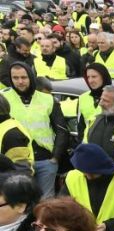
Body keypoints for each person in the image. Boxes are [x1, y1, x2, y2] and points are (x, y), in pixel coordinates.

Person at [2, 63, 66, 197]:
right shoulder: (3, 98)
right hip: (16, 162)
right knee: (20, 202)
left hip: (45, 160)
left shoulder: (48, 99)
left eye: (24, 77)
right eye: (15, 78)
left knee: (45, 202)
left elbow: (61, 129)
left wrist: (55, 157)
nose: (20, 82)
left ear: (31, 77)